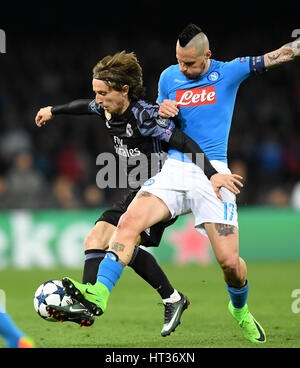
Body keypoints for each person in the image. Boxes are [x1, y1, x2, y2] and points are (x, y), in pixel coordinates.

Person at [62, 24, 300, 344]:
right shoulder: (168, 77)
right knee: (128, 223)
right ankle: (98, 297)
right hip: (175, 168)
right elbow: (160, 122)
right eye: (179, 61)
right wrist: (164, 110)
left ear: (208, 56)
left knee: (230, 264)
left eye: (190, 63)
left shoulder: (229, 72)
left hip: (214, 173)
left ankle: (239, 309)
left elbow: (275, 56)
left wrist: (296, 47)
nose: (183, 68)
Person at [35, 51, 242, 336]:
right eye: (96, 92)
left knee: (122, 242)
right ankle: (96, 300)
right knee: (95, 238)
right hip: (138, 189)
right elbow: (83, 106)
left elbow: (181, 140)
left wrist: (211, 174)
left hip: (162, 190)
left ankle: (110, 300)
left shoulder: (145, 114)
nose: (97, 99)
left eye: (103, 93)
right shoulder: (105, 107)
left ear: (124, 90)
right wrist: (53, 111)